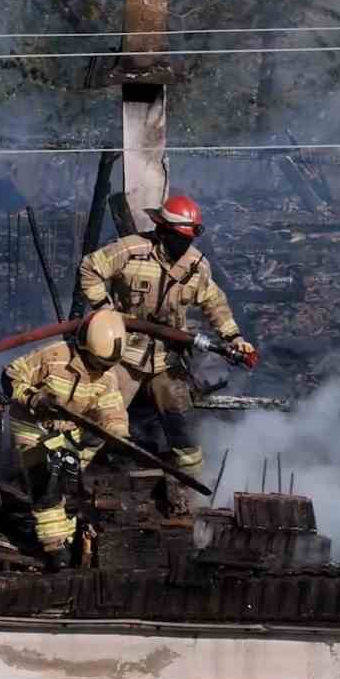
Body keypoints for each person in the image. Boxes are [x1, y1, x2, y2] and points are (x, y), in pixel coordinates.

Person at [77, 195, 255, 472]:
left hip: (166, 359)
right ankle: (67, 477)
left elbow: (214, 302)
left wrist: (234, 339)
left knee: (180, 421)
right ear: (161, 229)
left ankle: (191, 485)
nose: (182, 246)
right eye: (177, 238)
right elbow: (90, 267)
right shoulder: (132, 250)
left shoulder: (196, 266)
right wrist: (104, 311)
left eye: (187, 240)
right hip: (122, 355)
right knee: (100, 417)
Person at [3, 309, 129, 568]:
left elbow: (111, 410)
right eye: (98, 363)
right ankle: (55, 547)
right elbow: (11, 375)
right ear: (85, 347)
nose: (101, 370)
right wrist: (34, 398)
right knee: (46, 481)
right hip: (32, 426)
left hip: (69, 431)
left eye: (107, 366)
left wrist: (119, 435)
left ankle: (73, 535)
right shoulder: (54, 356)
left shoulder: (107, 376)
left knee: (69, 484)